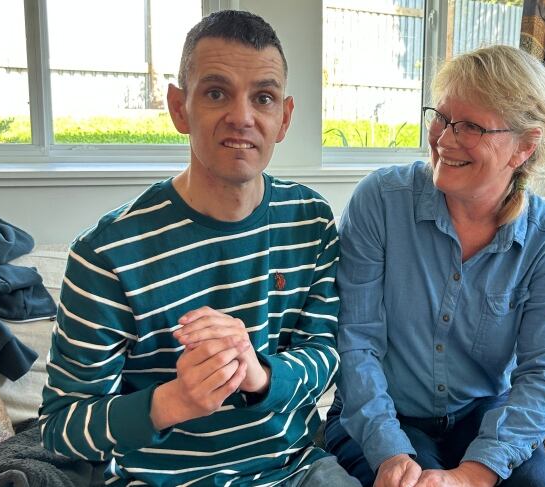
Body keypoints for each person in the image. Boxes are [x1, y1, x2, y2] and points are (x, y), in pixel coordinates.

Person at [39, 10, 359, 487]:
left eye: (263, 98)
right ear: (178, 107)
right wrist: (175, 401)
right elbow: (60, 430)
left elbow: (325, 351)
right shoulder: (106, 254)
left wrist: (260, 374)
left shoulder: (311, 220)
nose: (243, 117)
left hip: (295, 470)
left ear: (284, 117)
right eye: (216, 93)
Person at [324, 45, 545, 487]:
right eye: (440, 116)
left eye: (470, 127)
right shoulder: (380, 202)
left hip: (481, 415)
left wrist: (475, 474)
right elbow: (355, 342)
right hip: (384, 416)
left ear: (524, 146)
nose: (443, 138)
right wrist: (391, 452)